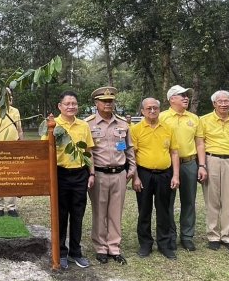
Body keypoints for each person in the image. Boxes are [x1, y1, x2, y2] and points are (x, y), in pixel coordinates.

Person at [44, 91, 94, 269]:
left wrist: (92, 173)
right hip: (60, 174)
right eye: (67, 104)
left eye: (74, 103)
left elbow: (88, 151)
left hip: (80, 174)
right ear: (60, 106)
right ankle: (61, 252)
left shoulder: (83, 125)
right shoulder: (53, 125)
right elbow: (44, 150)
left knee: (78, 214)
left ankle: (75, 252)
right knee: (61, 215)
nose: (71, 106)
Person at [86, 87, 135, 264]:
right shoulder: (88, 124)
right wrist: (90, 172)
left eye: (110, 101)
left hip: (119, 174)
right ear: (96, 103)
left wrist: (132, 168)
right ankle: (100, 247)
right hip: (99, 173)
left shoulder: (123, 124)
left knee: (116, 212)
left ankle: (114, 247)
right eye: (104, 101)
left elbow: (129, 147)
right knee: (99, 212)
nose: (108, 104)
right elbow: (88, 152)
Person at [195, 90, 229, 252]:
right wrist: (202, 165)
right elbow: (200, 144)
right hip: (211, 160)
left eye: (227, 101)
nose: (224, 104)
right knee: (212, 200)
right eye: (220, 101)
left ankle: (227, 235)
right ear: (214, 104)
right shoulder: (203, 120)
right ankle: (213, 235)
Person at [131, 98, 180, 259]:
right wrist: (135, 178)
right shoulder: (136, 129)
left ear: (160, 110)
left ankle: (164, 244)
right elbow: (133, 155)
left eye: (155, 108)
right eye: (149, 108)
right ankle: (145, 244)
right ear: (143, 111)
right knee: (144, 210)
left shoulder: (168, 128)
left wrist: (175, 175)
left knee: (164, 210)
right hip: (144, 174)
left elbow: (174, 152)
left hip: (164, 174)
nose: (152, 111)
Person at [159, 85, 200, 251]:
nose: (185, 98)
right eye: (181, 95)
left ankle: (187, 236)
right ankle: (170, 235)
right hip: (168, 165)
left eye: (187, 95)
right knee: (167, 202)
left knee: (189, 201)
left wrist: (202, 165)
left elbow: (199, 142)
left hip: (190, 163)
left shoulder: (194, 118)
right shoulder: (162, 117)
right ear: (171, 99)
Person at [0, 88, 24, 217]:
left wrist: (23, 147)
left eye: (9, 95)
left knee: (12, 178)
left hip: (13, 150)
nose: (7, 97)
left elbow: (20, 130)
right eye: (4, 95)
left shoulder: (16, 111)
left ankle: (11, 207)